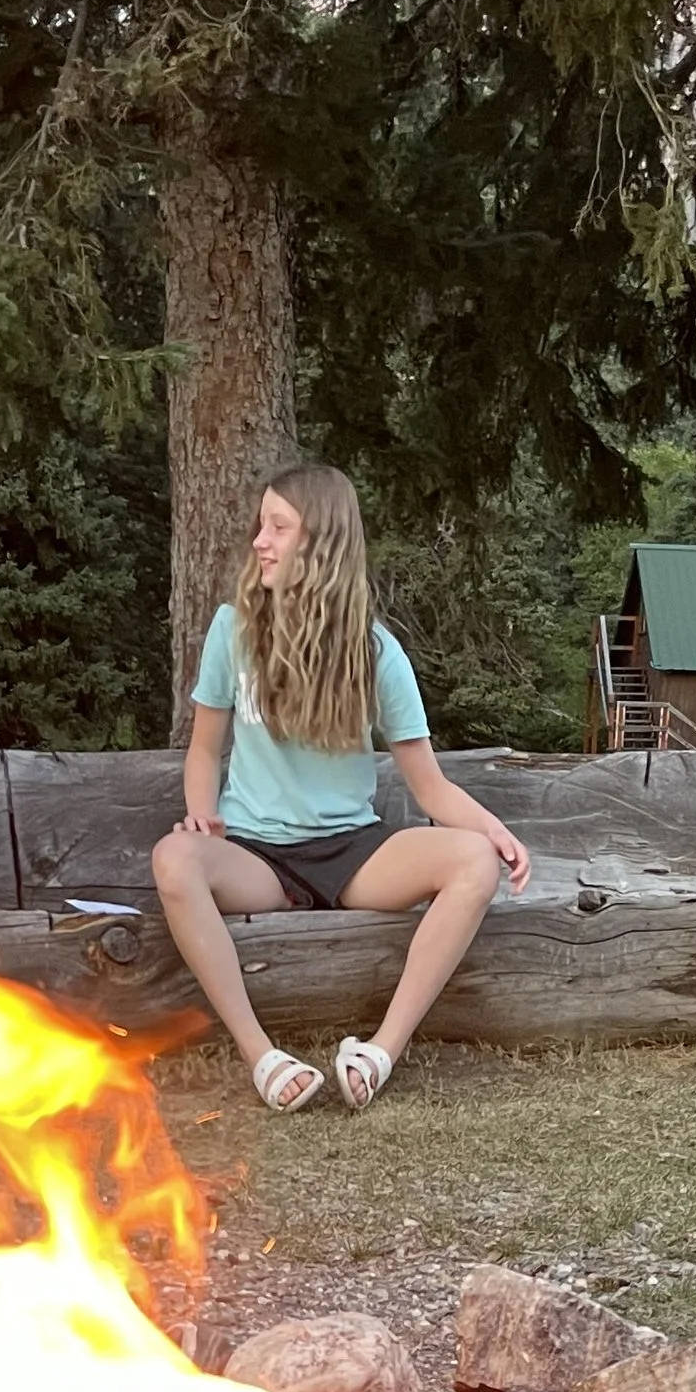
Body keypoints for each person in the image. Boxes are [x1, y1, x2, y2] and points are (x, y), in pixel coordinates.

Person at [150, 461, 528, 1110]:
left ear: (320, 542)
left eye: (278, 526)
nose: (259, 541)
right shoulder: (231, 630)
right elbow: (204, 751)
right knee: (172, 857)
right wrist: (201, 815)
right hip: (255, 857)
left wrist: (493, 831)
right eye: (260, 525)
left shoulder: (376, 653)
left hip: (352, 854)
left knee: (472, 860)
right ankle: (262, 1057)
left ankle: (379, 1052)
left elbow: (429, 788)